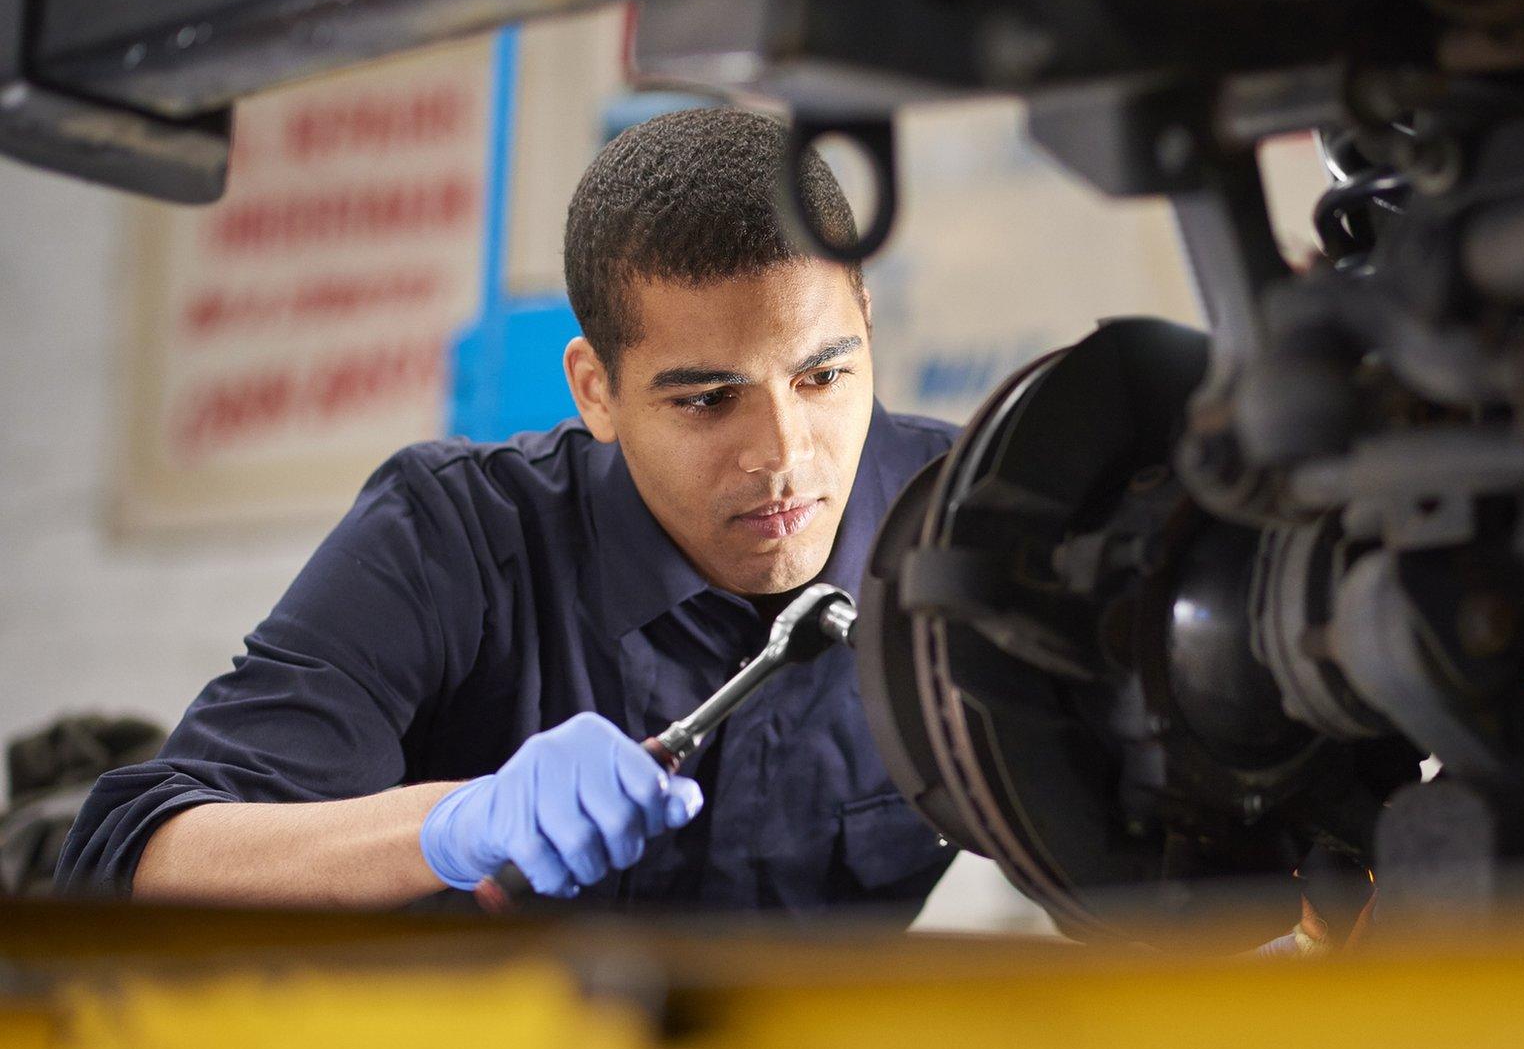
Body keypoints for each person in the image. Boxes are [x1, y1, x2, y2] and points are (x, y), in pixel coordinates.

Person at [55, 108, 958, 921]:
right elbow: (128, 867)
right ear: (595, 391)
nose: (785, 455)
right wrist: (454, 825)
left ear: (867, 323)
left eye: (823, 376)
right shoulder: (451, 538)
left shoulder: (976, 526)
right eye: (707, 401)